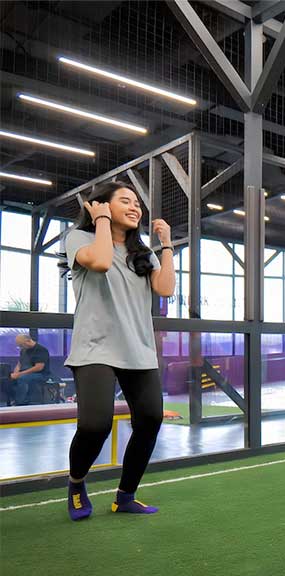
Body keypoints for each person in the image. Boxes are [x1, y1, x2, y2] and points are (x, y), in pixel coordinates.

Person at [59, 180, 175, 521]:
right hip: (95, 349)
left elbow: (165, 288)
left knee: (151, 419)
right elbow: (101, 262)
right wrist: (101, 222)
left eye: (137, 203)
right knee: (95, 425)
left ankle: (126, 495)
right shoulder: (80, 239)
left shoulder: (144, 254)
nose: (135, 207)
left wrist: (165, 245)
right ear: (102, 206)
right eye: (125, 201)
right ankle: (77, 482)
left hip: (138, 350)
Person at [9, 334, 51, 405]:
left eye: (21, 345)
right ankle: (12, 400)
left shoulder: (40, 350)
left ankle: (21, 403)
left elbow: (39, 367)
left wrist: (19, 374)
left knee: (23, 378)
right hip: (25, 373)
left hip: (41, 374)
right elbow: (19, 364)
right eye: (19, 346)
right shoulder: (23, 350)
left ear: (28, 341)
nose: (20, 347)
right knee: (8, 378)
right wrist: (15, 373)